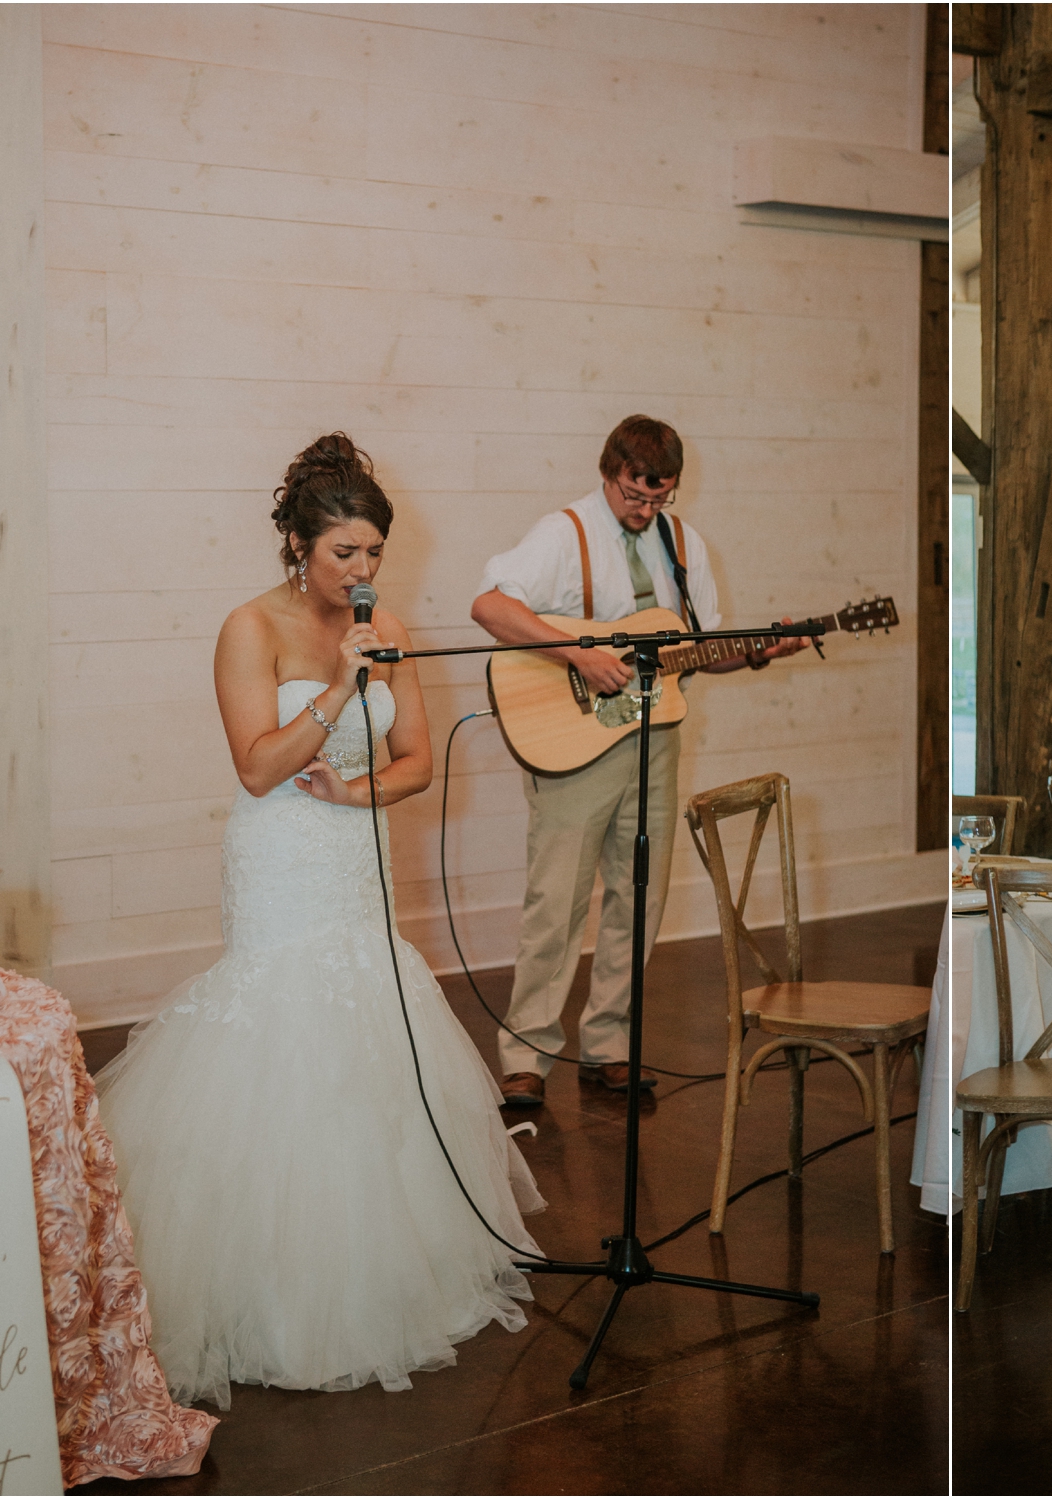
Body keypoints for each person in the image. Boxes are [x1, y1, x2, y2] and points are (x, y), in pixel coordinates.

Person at [94, 434, 545, 1409]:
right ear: (299, 545)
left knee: (370, 1043)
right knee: (285, 1039)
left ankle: (381, 1274)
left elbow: (419, 760)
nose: (364, 571)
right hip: (277, 861)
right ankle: (268, 1292)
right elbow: (255, 765)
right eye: (346, 553)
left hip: (352, 849)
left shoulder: (397, 631)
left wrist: (355, 794)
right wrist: (343, 680)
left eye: (375, 554)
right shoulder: (248, 627)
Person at [472, 415, 806, 1107]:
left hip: (656, 734)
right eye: (635, 494)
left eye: (660, 498)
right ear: (610, 471)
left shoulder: (683, 544)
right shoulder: (564, 532)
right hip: (574, 741)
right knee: (557, 899)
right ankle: (527, 1054)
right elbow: (490, 606)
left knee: (640, 892)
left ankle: (610, 1044)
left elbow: (704, 649)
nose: (646, 510)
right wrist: (577, 653)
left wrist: (756, 653)